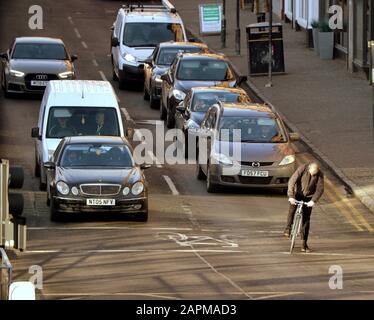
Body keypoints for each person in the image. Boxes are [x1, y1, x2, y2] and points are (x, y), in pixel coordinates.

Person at [284, 162, 324, 253]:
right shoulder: (302, 168)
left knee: (306, 219)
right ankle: (288, 228)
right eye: (311, 173)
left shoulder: (320, 174)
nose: (312, 175)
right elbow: (292, 181)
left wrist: (313, 201)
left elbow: (320, 189)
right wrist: (291, 196)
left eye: (314, 174)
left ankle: (304, 243)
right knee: (292, 209)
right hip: (297, 194)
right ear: (309, 168)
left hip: (309, 197)